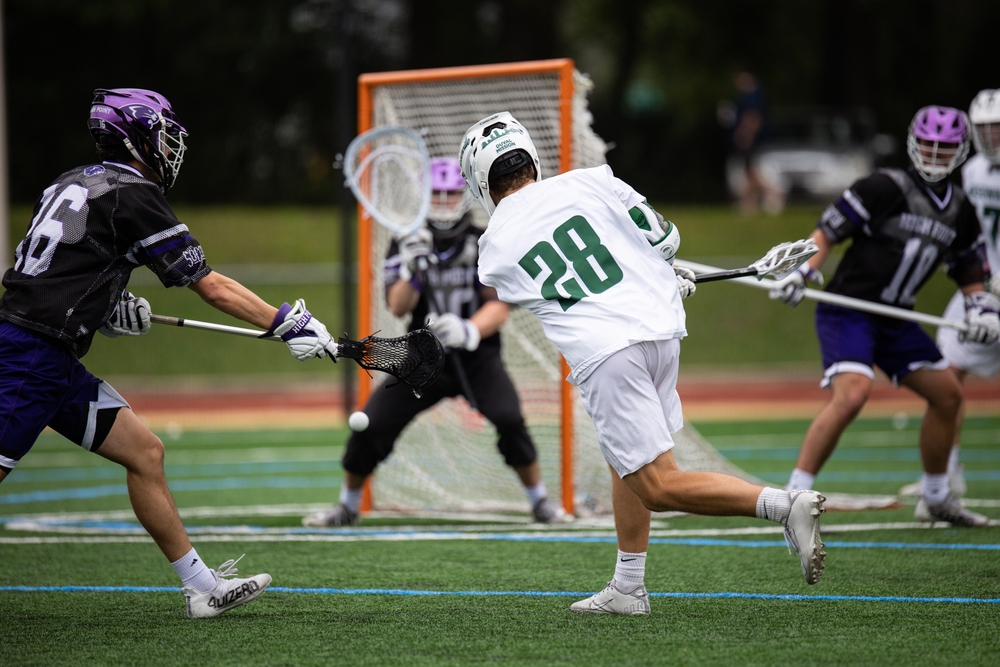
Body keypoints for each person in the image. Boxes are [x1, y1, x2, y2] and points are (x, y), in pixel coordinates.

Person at [461, 111, 827, 616]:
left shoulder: (493, 248)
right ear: (531, 158)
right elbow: (663, 240)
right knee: (625, 458)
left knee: (656, 483)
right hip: (660, 333)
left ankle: (784, 506)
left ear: (481, 180)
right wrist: (662, 272)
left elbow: (549, 280)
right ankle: (628, 587)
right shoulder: (594, 179)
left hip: (608, 352)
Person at [0, 88, 338, 618]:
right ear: (136, 136)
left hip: (47, 352)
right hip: (29, 358)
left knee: (145, 452)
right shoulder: (132, 194)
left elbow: (55, 269)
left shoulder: (71, 181)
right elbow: (210, 286)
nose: (171, 143)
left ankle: (201, 588)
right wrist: (284, 321)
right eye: (163, 130)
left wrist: (110, 308)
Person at [302, 156, 571, 528]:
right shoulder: (407, 243)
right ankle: (348, 506)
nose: (444, 201)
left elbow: (498, 307)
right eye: (437, 193)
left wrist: (469, 330)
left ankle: (539, 501)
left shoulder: (485, 239)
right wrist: (411, 270)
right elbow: (397, 306)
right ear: (425, 197)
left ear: (465, 195)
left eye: (451, 193)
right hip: (422, 358)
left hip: (477, 357)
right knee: (372, 423)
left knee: (510, 419)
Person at [771, 105, 999, 527]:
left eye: (945, 147)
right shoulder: (884, 187)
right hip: (850, 310)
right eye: (928, 145)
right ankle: (791, 498)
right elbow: (827, 233)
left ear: (961, 151)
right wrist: (804, 270)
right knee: (854, 392)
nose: (934, 154)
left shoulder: (961, 210)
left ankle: (936, 497)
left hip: (896, 319)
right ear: (913, 143)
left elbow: (970, 271)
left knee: (948, 394)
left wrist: (981, 307)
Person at [899, 89, 1000, 508]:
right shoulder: (973, 171)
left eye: (998, 127)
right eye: (983, 128)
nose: (991, 135)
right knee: (946, 375)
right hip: (982, 291)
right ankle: (945, 473)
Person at [721, 66, 785, 216]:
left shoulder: (753, 96)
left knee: (751, 170)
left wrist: (746, 135)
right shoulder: (748, 95)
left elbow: (753, 117)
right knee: (747, 170)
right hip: (751, 138)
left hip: (750, 139)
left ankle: (773, 193)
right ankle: (749, 202)